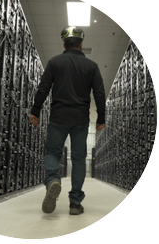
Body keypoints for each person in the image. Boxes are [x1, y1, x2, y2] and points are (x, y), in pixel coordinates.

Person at [29, 26, 106, 215]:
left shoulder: (55, 62)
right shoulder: (92, 66)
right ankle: (75, 203)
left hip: (58, 116)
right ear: (81, 43)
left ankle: (53, 180)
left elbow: (43, 89)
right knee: (79, 158)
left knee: (52, 152)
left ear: (64, 44)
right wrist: (101, 119)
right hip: (80, 119)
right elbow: (99, 94)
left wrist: (35, 112)